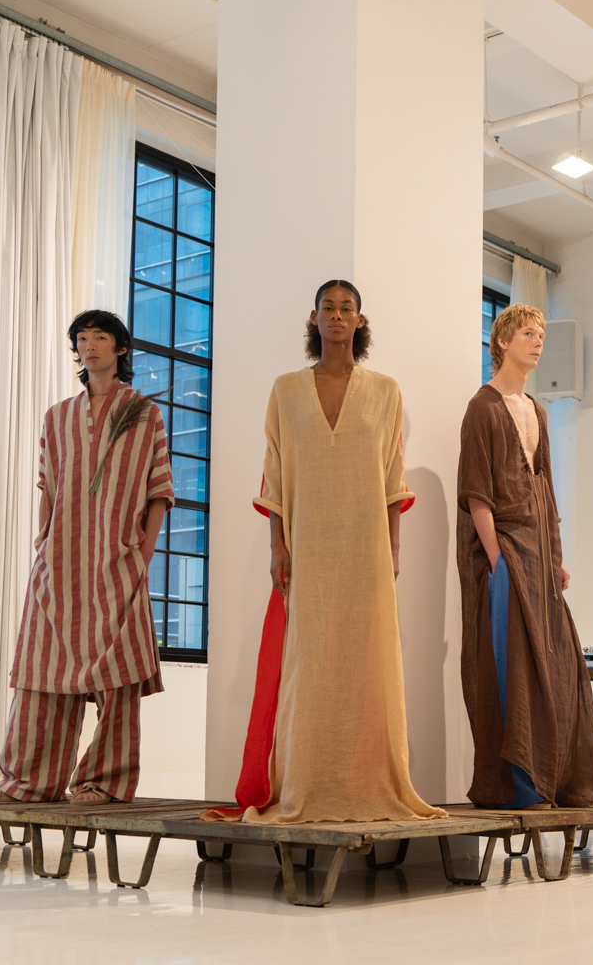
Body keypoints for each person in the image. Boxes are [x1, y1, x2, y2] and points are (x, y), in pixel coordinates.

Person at [236, 280, 443, 823]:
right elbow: (275, 475)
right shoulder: (285, 390)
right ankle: (307, 779)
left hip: (366, 545)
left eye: (346, 308)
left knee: (367, 659)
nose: (336, 315)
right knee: (309, 663)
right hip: (306, 547)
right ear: (314, 318)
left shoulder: (386, 391)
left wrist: (394, 544)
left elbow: (392, 477)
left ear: (359, 320)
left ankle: (367, 779)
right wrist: (276, 546)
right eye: (327, 308)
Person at [0, 310, 173, 804]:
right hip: (61, 563)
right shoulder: (56, 416)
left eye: (100, 338)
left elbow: (159, 489)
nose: (89, 346)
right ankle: (30, 779)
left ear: (120, 349)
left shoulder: (145, 413)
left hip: (119, 564)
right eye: (82, 339)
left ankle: (103, 782)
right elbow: (48, 486)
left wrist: (144, 553)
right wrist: (43, 542)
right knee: (41, 670)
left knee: (119, 677)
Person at [458, 302, 593, 809]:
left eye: (540, 334)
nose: (537, 342)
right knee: (512, 667)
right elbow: (477, 491)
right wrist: (496, 558)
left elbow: (546, 492)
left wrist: (554, 555)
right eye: (527, 334)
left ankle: (553, 776)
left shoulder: (537, 409)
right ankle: (518, 784)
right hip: (506, 558)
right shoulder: (483, 407)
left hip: (539, 557)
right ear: (502, 342)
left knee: (556, 665)